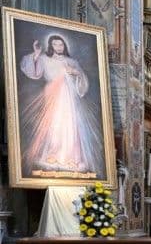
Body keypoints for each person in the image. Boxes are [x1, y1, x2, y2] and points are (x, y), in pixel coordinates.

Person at [19, 34, 104, 178]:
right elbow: (33, 72)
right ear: (51, 46)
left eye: (61, 44)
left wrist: (75, 72)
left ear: (64, 45)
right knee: (54, 126)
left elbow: (82, 81)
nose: (58, 47)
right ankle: (54, 154)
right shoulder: (44, 59)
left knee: (70, 126)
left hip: (69, 99)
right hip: (53, 95)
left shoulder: (71, 61)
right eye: (55, 45)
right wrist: (36, 54)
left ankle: (71, 158)